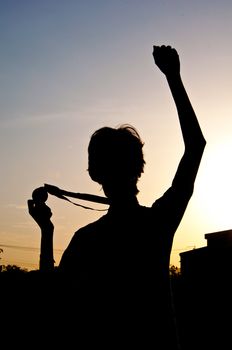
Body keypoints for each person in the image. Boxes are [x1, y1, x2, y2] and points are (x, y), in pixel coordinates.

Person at [27, 45, 206, 349]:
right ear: (139, 167)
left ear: (94, 174)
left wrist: (47, 232)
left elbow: (51, 301)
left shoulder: (86, 240)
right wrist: (173, 77)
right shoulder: (158, 223)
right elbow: (195, 147)